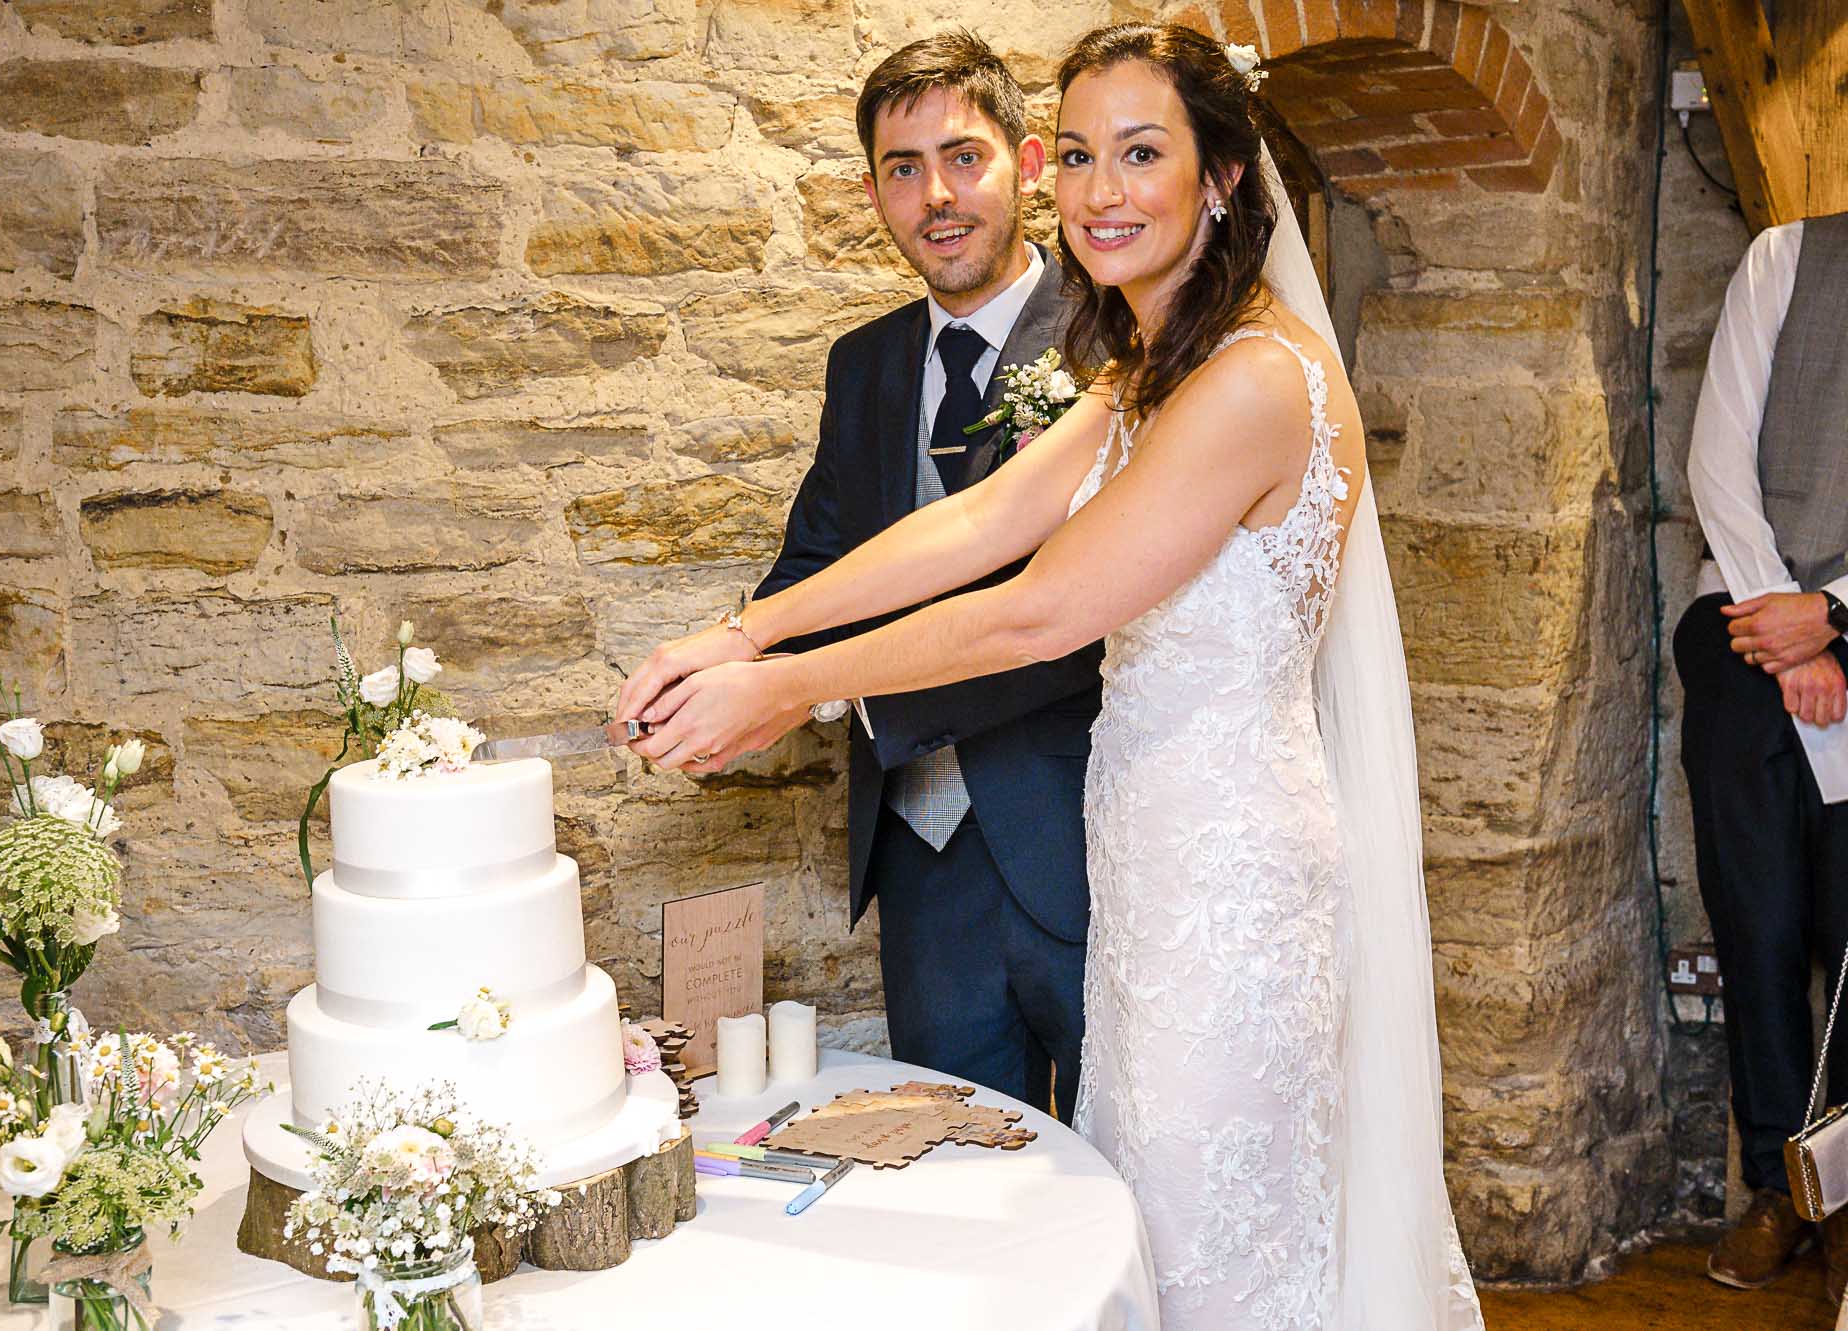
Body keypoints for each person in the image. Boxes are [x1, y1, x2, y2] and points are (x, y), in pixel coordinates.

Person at [620, 23, 1482, 1329]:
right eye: (1078, 154)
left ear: (1224, 177)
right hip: (1145, 866)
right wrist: (745, 635)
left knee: (1219, 1247)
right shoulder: (1147, 367)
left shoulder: (1254, 379)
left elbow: (1037, 610)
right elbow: (977, 525)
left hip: (1232, 888)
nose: (1100, 191)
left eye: (1142, 153)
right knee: (1138, 1214)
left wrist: (794, 689)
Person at [737, 32, 1103, 1122]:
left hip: (1084, 839)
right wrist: (727, 659)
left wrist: (800, 683)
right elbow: (817, 563)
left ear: (1026, 164)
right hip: (922, 854)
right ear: (872, 192)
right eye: (903, 170)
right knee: (959, 1172)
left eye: (963, 158)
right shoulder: (864, 364)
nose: (935, 196)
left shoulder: (1114, 339)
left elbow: (1069, 611)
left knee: (1122, 1175)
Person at [1676, 211, 1848, 1300]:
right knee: (1759, 922)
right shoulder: (1785, 257)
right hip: (1743, 623)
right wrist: (1781, 630)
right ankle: (1779, 1184)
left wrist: (1832, 612)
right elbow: (1715, 458)